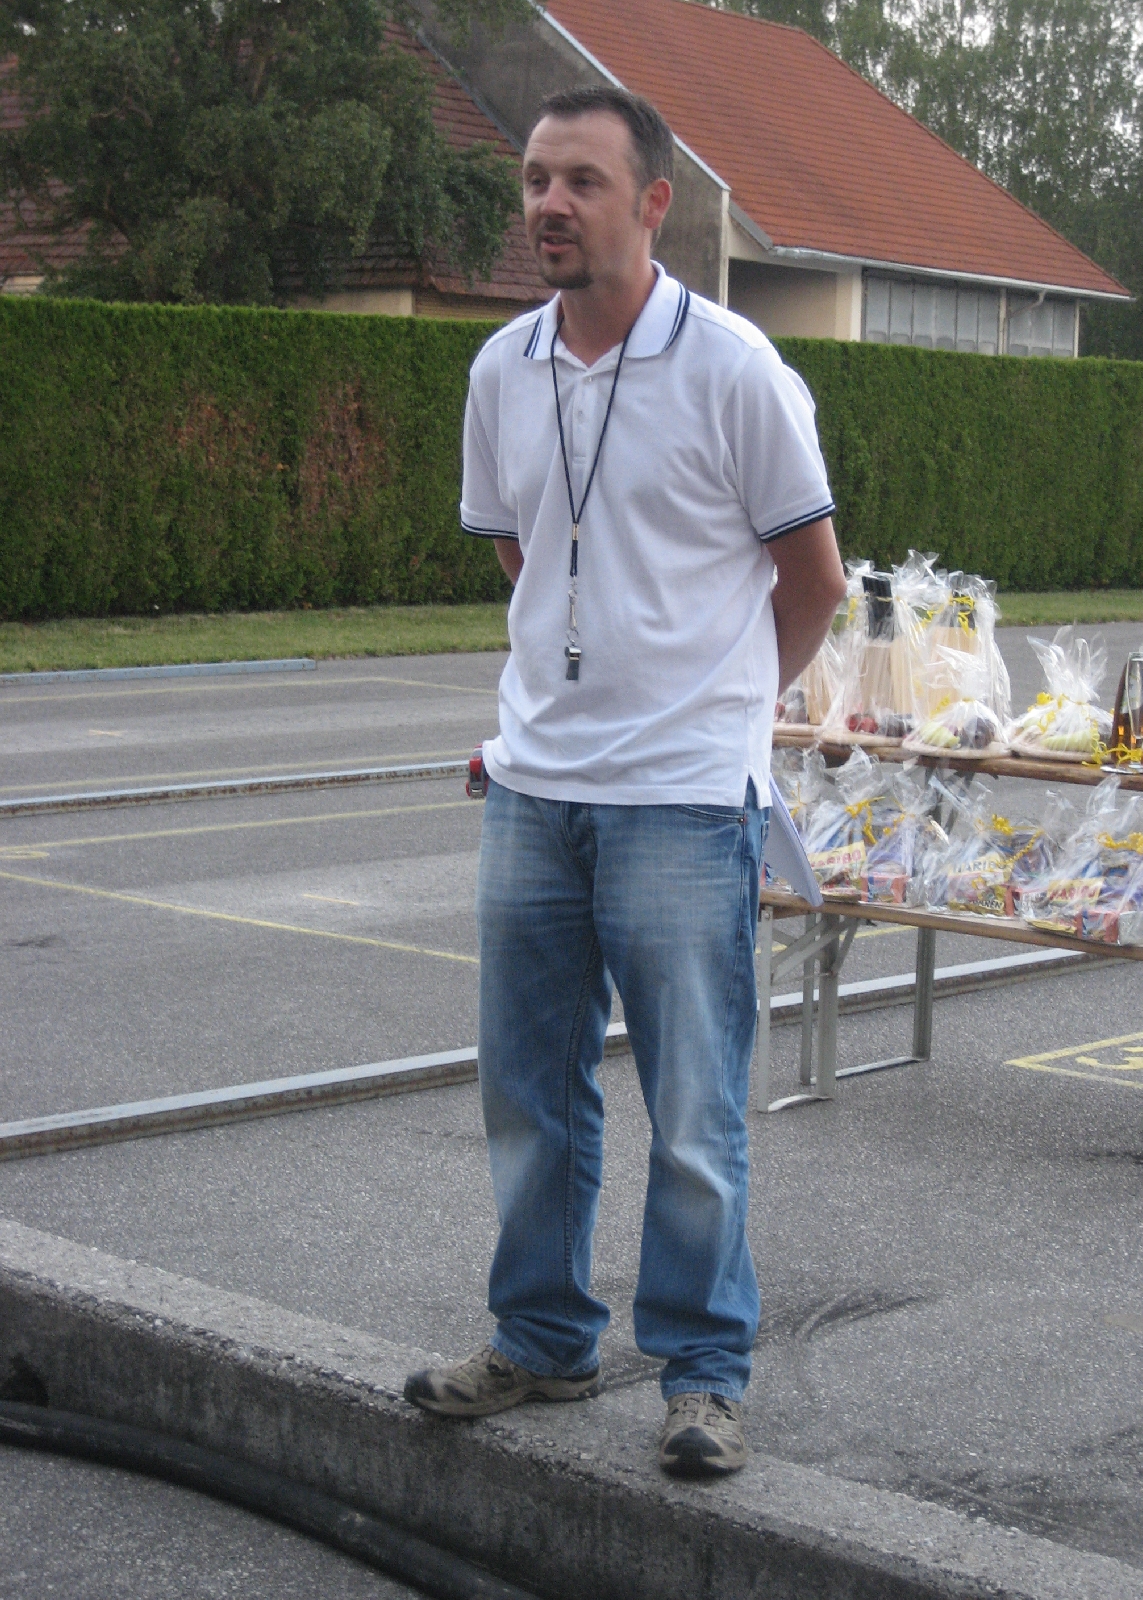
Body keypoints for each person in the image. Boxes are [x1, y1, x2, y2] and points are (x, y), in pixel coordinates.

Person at [404, 84, 845, 1477]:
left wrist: (722, 717)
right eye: (538, 179)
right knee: (530, 1097)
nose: (550, 203)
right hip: (536, 793)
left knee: (695, 1109)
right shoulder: (500, 369)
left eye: (582, 181)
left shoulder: (735, 370)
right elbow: (525, 556)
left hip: (683, 800)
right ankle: (541, 1340)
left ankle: (703, 1374)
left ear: (654, 204)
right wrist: (560, 696)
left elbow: (813, 580)